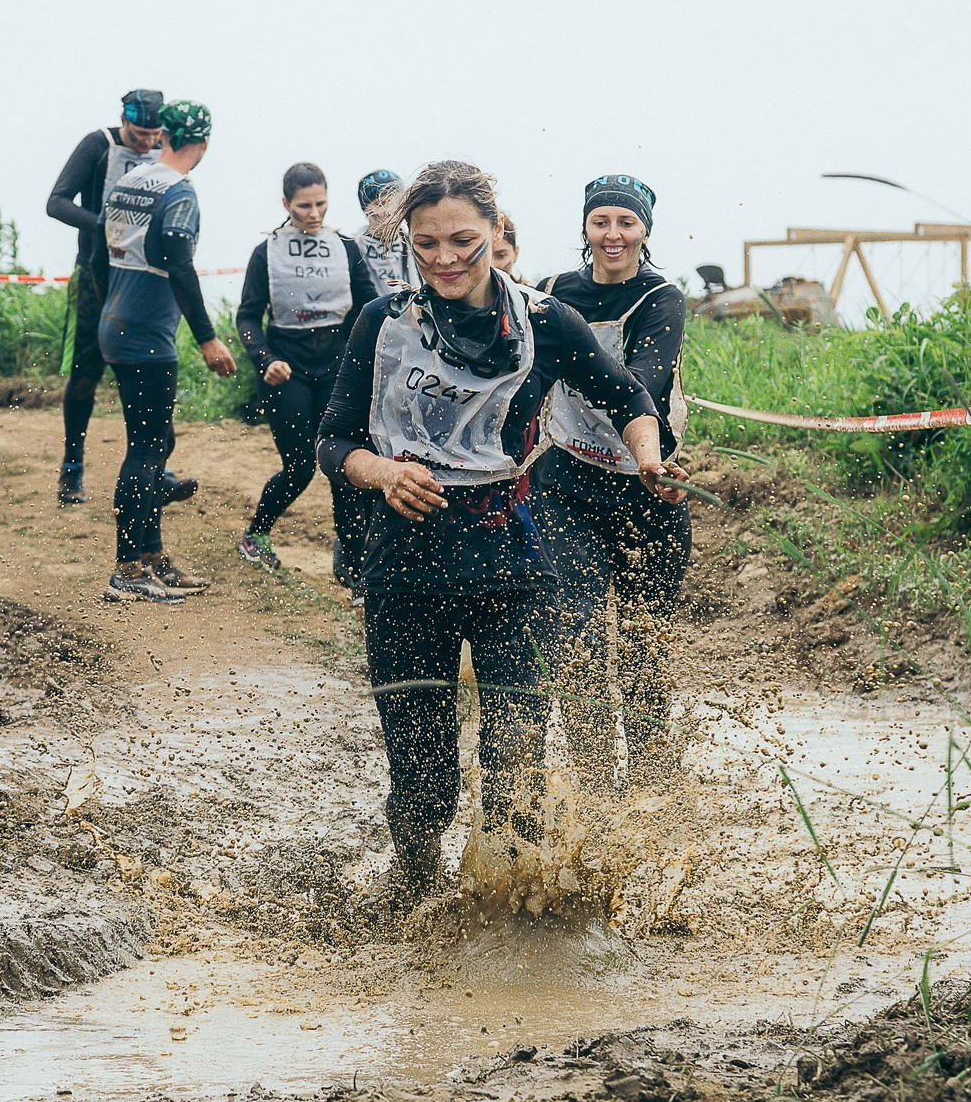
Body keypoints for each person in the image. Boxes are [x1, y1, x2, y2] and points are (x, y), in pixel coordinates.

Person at [316, 160, 686, 906]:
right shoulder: (382, 324)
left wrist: (648, 454)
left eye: (461, 240)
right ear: (407, 245)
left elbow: (629, 394)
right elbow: (333, 442)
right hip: (404, 570)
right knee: (421, 785)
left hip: (510, 564)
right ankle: (415, 891)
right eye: (426, 245)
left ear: (494, 230)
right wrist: (382, 474)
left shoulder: (546, 322)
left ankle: (507, 924)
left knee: (514, 764)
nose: (445, 259)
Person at [533, 175, 691, 793]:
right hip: (567, 479)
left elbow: (647, 376)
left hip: (650, 483)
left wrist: (649, 449)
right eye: (601, 222)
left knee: (646, 641)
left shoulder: (662, 296)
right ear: (586, 230)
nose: (613, 235)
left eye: (626, 223)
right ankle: (595, 784)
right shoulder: (551, 292)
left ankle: (653, 782)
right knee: (574, 634)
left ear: (645, 230)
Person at [97, 100, 237, 603]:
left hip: (115, 320)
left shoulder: (130, 181)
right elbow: (179, 264)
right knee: (148, 447)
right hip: (147, 333)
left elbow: (98, 248)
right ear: (202, 144)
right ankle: (129, 568)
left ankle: (151, 554)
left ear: (163, 137)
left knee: (159, 440)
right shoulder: (179, 193)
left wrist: (107, 312)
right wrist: (207, 337)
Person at [45, 89, 198, 508]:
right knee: (86, 373)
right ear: (122, 121)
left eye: (154, 135)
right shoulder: (99, 144)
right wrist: (105, 224)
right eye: (138, 134)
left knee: (151, 371)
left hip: (141, 279)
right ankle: (71, 467)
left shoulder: (164, 153)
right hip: (97, 271)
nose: (146, 143)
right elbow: (56, 202)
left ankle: (156, 468)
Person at [233, 162, 379, 583]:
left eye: (320, 204)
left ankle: (353, 566)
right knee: (299, 467)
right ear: (286, 204)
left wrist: (364, 357)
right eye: (303, 207)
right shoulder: (267, 251)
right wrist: (264, 359)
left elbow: (369, 309)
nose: (313, 214)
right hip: (287, 368)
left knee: (345, 465)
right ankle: (255, 536)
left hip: (336, 366)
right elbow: (246, 317)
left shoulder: (345, 247)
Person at [351, 169, 415, 293]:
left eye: (394, 202)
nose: (388, 211)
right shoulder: (353, 247)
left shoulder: (415, 242)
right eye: (380, 203)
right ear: (366, 209)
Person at [492, 212, 525, 282]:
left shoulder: (531, 292)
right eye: (484, 256)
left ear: (516, 254)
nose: (492, 266)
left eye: (501, 256)